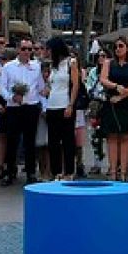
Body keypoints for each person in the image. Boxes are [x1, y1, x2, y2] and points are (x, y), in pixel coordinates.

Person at [0, 40, 43, 186]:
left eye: (30, 49)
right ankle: (10, 171)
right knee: (12, 140)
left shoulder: (37, 67)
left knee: (30, 141)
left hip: (31, 106)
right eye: (24, 49)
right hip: (14, 107)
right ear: (18, 49)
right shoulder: (8, 67)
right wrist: (11, 97)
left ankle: (31, 172)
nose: (27, 52)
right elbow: (2, 87)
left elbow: (40, 87)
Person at [98, 38, 128, 181]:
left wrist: (122, 96)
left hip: (127, 102)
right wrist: (115, 86)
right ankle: (112, 171)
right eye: (115, 46)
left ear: (127, 48)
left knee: (126, 136)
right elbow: (103, 79)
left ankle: (123, 171)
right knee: (112, 136)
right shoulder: (108, 63)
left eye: (121, 46)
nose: (118, 49)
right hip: (111, 101)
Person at [43, 37, 81, 180]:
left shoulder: (71, 63)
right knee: (53, 141)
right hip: (52, 105)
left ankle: (69, 171)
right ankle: (56, 171)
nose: (47, 52)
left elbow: (75, 85)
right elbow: (51, 84)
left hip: (65, 104)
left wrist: (71, 104)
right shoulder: (53, 66)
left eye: (49, 49)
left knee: (67, 140)